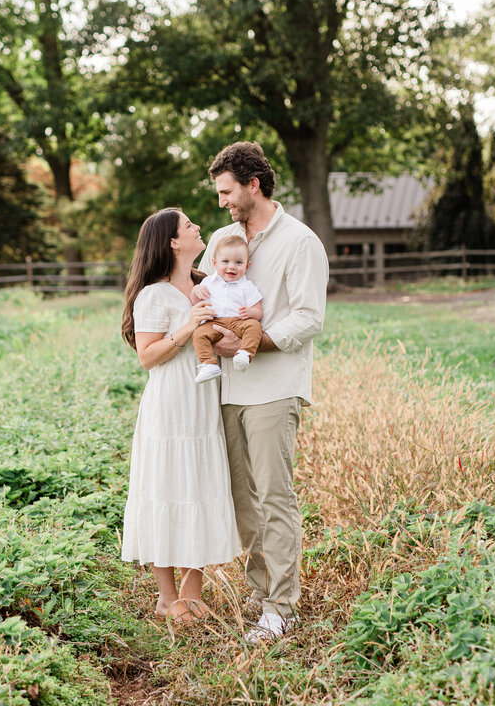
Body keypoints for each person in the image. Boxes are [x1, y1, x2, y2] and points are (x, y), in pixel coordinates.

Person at [198, 141, 330, 643]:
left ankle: (281, 607)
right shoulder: (222, 237)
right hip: (229, 388)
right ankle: (260, 596)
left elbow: (308, 317)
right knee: (241, 499)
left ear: (254, 185)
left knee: (275, 496)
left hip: (274, 386)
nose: (222, 202)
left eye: (227, 191)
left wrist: (251, 342)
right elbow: (210, 290)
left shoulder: (300, 242)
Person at [120, 208, 241, 622]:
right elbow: (147, 357)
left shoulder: (205, 284)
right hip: (170, 405)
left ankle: (191, 594)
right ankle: (168, 597)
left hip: (203, 404)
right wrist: (188, 327)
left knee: (199, 487)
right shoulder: (153, 294)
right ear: (173, 242)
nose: (196, 228)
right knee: (167, 490)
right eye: (188, 226)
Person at [190, 234, 265, 384]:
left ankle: (245, 353)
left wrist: (251, 313)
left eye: (238, 262)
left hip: (239, 322)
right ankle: (208, 364)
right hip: (213, 322)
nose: (231, 266)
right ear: (215, 263)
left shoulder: (247, 286)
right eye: (225, 261)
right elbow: (195, 302)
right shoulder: (208, 282)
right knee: (198, 334)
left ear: (246, 266)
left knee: (255, 326)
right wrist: (195, 291)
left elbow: (258, 311)